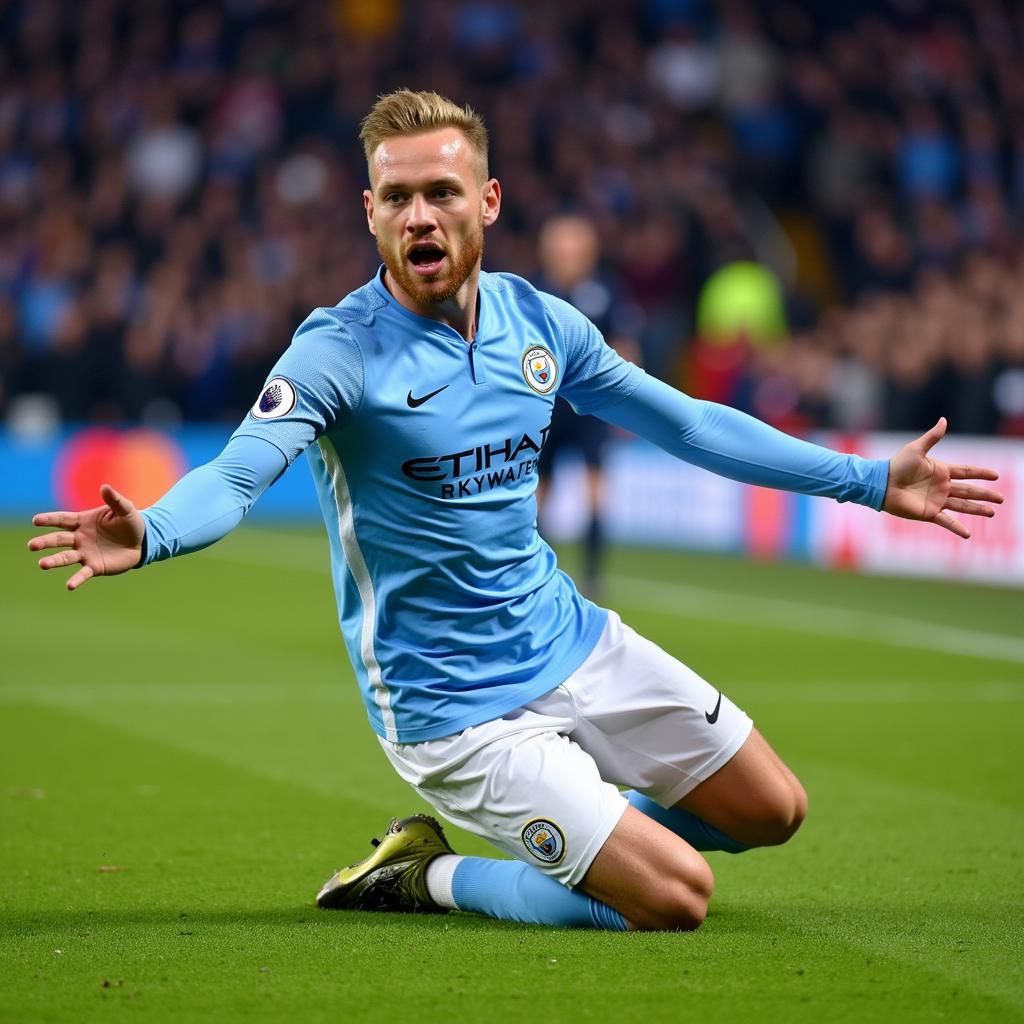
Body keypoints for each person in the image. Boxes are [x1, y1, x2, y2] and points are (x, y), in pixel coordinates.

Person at [28, 91, 1003, 933]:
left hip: (570, 639)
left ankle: (592, 829)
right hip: (452, 707)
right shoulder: (337, 351)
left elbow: (687, 421)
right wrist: (153, 529)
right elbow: (237, 477)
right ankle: (431, 875)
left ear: (485, 203)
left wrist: (869, 481)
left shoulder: (541, 325)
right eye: (398, 196)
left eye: (442, 191)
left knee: (774, 809)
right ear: (370, 215)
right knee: (676, 897)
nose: (421, 212)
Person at [534, 214, 641, 599]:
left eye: (575, 248)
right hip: (544, 409)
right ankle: (539, 572)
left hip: (590, 412)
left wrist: (627, 401)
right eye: (561, 248)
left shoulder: (606, 291)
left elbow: (625, 345)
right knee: (537, 493)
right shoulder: (532, 293)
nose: (569, 255)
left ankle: (593, 577)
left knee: (596, 490)